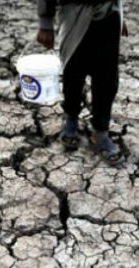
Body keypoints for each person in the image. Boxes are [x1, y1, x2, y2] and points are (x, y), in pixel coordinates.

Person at [36, 0, 128, 165]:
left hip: (109, 17)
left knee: (106, 80)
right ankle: (71, 119)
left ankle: (101, 131)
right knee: (73, 75)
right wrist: (45, 23)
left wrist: (121, 16)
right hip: (75, 17)